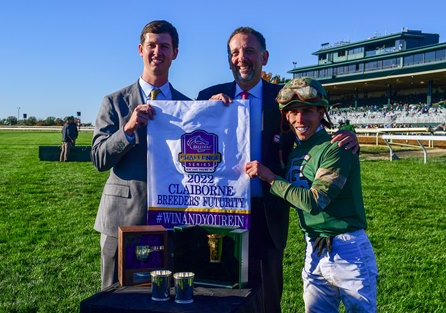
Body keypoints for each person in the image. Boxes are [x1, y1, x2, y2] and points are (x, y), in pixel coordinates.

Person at [197, 26, 359, 313]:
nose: (242, 58)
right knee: (218, 291)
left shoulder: (283, 99)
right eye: (235, 52)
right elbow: (183, 137)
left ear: (265, 57)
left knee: (268, 294)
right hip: (219, 210)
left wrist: (350, 133)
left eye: (249, 51)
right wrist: (203, 114)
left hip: (268, 209)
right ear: (228, 59)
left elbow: (314, 126)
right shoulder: (208, 96)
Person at [246, 77, 378, 312]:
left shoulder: (337, 147)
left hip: (348, 248)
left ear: (321, 112)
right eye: (293, 112)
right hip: (314, 248)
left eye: (307, 111)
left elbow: (315, 201)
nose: (299, 119)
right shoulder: (296, 151)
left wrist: (269, 177)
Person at [91, 20, 190, 290]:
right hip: (120, 219)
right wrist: (127, 130)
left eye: (165, 46)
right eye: (152, 45)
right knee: (113, 297)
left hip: (171, 220)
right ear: (140, 49)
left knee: (164, 296)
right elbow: (99, 158)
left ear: (175, 53)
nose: (157, 51)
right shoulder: (113, 102)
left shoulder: (189, 106)